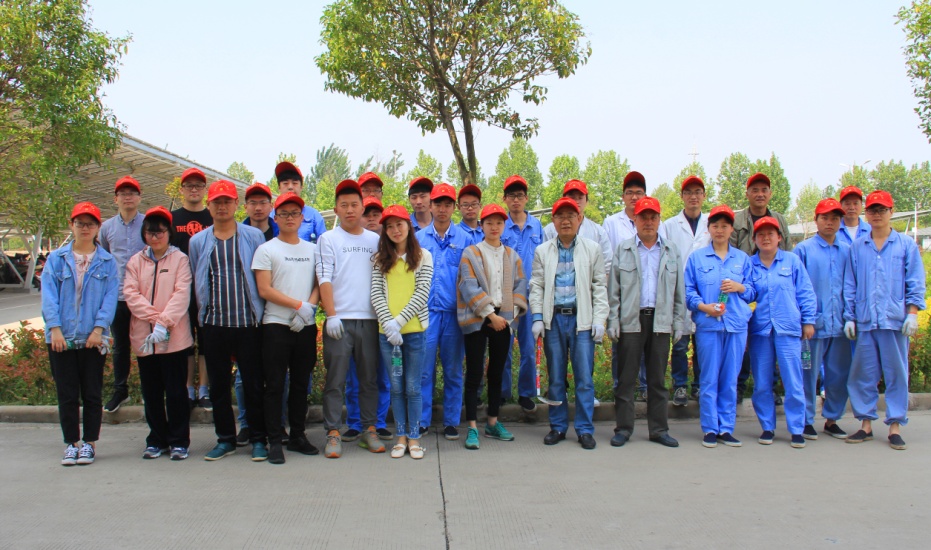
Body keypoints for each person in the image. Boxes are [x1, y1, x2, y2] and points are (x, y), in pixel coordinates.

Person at [188, 180, 268, 462]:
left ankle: (258, 438)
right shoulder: (198, 241)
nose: (222, 206)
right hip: (214, 324)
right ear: (209, 206)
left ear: (236, 205)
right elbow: (198, 279)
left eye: (227, 201)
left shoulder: (253, 237)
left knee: (254, 385)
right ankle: (225, 439)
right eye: (217, 202)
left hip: (248, 324)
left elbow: (261, 275)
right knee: (219, 387)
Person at [844, 190, 926, 451]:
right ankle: (866, 424)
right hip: (866, 320)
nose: (877, 214)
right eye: (872, 210)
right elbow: (850, 284)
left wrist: (912, 313)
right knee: (863, 375)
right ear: (867, 214)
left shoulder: (905, 245)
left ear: (891, 212)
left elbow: (915, 281)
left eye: (882, 210)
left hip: (894, 321)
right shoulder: (858, 247)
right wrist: (850, 317)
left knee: (896, 374)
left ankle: (895, 426)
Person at [42, 202, 119, 466]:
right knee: (67, 393)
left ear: (98, 227)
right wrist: (55, 329)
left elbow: (110, 298)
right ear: (71, 225)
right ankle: (71, 443)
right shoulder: (56, 259)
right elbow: (49, 296)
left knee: (92, 393)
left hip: (92, 338)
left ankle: (89, 443)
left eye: (90, 224)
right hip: (61, 337)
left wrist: (98, 329)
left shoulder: (107, 262)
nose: (85, 228)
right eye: (80, 223)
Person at [607, 197, 685, 448]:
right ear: (635, 220)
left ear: (659, 220)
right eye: (643, 217)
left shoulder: (671, 251)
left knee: (657, 380)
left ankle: (659, 430)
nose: (648, 222)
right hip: (631, 320)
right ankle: (623, 429)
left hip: (661, 321)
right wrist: (613, 320)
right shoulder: (624, 249)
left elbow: (679, 292)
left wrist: (678, 322)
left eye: (653, 217)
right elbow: (614, 290)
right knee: (626, 379)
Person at [530, 198, 607, 450]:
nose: (565, 221)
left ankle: (584, 429)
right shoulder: (543, 251)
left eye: (571, 216)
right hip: (554, 320)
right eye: (560, 216)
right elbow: (537, 286)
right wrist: (538, 317)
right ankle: (558, 426)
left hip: (581, 320)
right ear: (553, 221)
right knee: (556, 377)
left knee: (584, 378)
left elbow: (599, 287)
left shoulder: (592, 249)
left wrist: (599, 319)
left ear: (579, 219)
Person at [316, 179, 383, 458]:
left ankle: (369, 429)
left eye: (354, 204)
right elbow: (324, 277)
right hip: (340, 320)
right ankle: (333, 432)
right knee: (335, 380)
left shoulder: (375, 240)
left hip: (370, 319)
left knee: (369, 379)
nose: (350, 210)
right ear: (336, 209)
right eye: (343, 205)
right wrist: (331, 315)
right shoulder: (328, 239)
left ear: (363, 207)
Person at [252, 192, 321, 464]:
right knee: (275, 384)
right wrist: (297, 305)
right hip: (276, 325)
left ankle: (298, 436)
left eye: (294, 214)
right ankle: (274, 440)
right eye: (284, 214)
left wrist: (308, 309)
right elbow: (264, 289)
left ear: (302, 218)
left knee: (301, 384)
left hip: (305, 325)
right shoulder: (267, 249)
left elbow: (320, 283)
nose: (289, 218)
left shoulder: (313, 249)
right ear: (275, 217)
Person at [123, 206, 194, 461]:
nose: (155, 237)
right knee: (151, 392)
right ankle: (156, 439)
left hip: (174, 338)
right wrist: (155, 320)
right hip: (145, 338)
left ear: (169, 233)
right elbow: (131, 294)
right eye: (150, 232)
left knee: (176, 392)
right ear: (144, 234)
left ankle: (179, 440)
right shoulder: (136, 262)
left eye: (160, 232)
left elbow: (181, 294)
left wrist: (164, 323)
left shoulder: (180, 260)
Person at [458, 204, 528, 450]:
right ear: (482, 225)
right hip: (478, 316)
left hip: (504, 317)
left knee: (497, 372)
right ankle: (472, 427)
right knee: (474, 372)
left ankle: (493, 422)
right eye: (489, 223)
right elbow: (468, 285)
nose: (494, 227)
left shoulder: (511, 255)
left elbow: (520, 285)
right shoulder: (471, 252)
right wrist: (490, 314)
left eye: (499, 223)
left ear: (504, 225)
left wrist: (508, 317)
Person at [684, 205, 755, 448]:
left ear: (731, 229)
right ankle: (710, 428)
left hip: (735, 326)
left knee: (730, 379)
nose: (720, 230)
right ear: (709, 228)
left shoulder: (742, 259)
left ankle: (726, 428)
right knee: (709, 378)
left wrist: (739, 287)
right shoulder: (697, 258)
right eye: (715, 225)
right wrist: (704, 307)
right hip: (709, 326)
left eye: (725, 226)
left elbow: (753, 291)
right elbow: (689, 292)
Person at [748, 217, 817, 448]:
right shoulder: (749, 265)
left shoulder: (792, 261)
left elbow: (805, 292)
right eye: (761, 234)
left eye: (771, 234)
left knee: (793, 381)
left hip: (788, 329)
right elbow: (745, 295)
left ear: (779, 237)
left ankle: (797, 428)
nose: (766, 238)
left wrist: (808, 321)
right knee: (762, 382)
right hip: (760, 331)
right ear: (754, 239)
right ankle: (767, 427)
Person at [371, 205, 433, 459]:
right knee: (396, 387)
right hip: (388, 337)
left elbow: (422, 292)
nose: (395, 230)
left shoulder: (423, 256)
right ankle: (400, 437)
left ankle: (414, 438)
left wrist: (399, 322)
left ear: (409, 226)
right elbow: (376, 293)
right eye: (390, 226)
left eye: (400, 224)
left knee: (413, 387)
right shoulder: (379, 259)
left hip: (414, 332)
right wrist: (389, 325)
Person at [417, 183, 472, 439]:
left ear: (454, 207)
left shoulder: (465, 239)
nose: (442, 209)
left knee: (452, 370)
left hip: (454, 314)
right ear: (430, 206)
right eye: (438, 203)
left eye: (447, 204)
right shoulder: (418, 239)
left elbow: (471, 277)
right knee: (423, 370)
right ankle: (422, 420)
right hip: (426, 313)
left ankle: (451, 421)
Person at [794, 198, 852, 439]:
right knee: (807, 373)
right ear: (815, 220)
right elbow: (796, 288)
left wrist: (851, 318)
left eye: (835, 218)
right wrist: (805, 320)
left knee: (838, 375)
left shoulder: (848, 251)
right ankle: (806, 419)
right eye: (825, 218)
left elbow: (852, 286)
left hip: (840, 326)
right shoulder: (803, 250)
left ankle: (832, 419)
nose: (830, 222)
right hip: (813, 327)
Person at [342, 193, 392, 443]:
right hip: (353, 316)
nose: (371, 219)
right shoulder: (346, 240)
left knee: (381, 375)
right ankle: (354, 422)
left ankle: (378, 422)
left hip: (382, 319)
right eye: (367, 214)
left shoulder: (387, 246)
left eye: (376, 214)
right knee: (354, 377)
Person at [659, 175, 710, 405]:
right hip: (678, 291)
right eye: (688, 192)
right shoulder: (670, 226)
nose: (693, 197)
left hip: (705, 294)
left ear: (704, 196)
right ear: (682, 196)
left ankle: (699, 386)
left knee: (702, 343)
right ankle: (679, 386)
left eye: (698, 192)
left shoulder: (711, 224)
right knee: (680, 343)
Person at [235, 182, 279, 445]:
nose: (258, 207)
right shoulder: (236, 233)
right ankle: (246, 424)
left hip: (277, 310)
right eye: (253, 202)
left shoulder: (281, 231)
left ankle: (278, 423)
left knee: (278, 374)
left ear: (270, 206)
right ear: (245, 206)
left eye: (263, 202)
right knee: (244, 374)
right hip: (246, 313)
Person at [100, 175, 146, 414]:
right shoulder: (107, 228)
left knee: (147, 344)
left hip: (143, 296)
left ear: (139, 197)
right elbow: (104, 258)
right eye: (123, 193)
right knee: (120, 345)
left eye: (132, 193)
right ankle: (121, 390)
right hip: (118, 296)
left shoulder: (148, 224)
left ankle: (149, 389)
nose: (128, 197)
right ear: (115, 198)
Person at [500, 174, 544, 411]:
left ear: (526, 198)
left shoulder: (537, 226)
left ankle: (526, 393)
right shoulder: (500, 224)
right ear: (505, 199)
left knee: (528, 348)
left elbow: (544, 259)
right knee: (503, 347)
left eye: (520, 195)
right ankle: (502, 392)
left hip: (530, 296)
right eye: (511, 195)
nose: (516, 200)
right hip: (505, 297)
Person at [170, 167, 213, 412]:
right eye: (189, 186)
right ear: (182, 189)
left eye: (198, 186)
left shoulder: (213, 217)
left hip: (207, 289)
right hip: (179, 290)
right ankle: (188, 388)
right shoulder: (172, 219)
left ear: (204, 190)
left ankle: (204, 389)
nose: (194, 190)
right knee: (184, 341)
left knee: (206, 341)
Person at [603, 171, 649, 397]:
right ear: (623, 196)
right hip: (622, 294)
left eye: (639, 192)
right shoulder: (611, 223)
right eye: (629, 193)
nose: (634, 197)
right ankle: (619, 388)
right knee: (620, 345)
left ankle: (644, 387)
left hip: (647, 294)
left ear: (645, 195)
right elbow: (609, 261)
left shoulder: (653, 222)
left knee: (646, 345)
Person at [543, 179, 613, 276]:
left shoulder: (598, 232)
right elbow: (542, 265)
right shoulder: (549, 231)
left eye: (580, 197)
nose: (576, 201)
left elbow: (607, 267)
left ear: (586, 201)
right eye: (572, 197)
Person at [272, 161, 327, 243]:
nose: (290, 187)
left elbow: (324, 244)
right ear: (279, 187)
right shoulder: (270, 216)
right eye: (285, 183)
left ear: (301, 187)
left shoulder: (314, 215)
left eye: (295, 183)